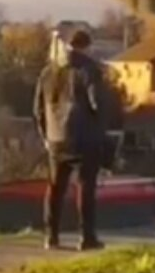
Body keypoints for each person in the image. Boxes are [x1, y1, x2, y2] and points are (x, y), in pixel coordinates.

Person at [34, 29, 107, 251]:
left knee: (55, 188)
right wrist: (102, 128)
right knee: (85, 188)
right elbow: (97, 103)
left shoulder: (48, 72)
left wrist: (45, 136)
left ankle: (51, 236)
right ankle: (87, 238)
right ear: (87, 46)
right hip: (84, 138)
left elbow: (38, 109)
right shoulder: (89, 69)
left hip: (55, 139)